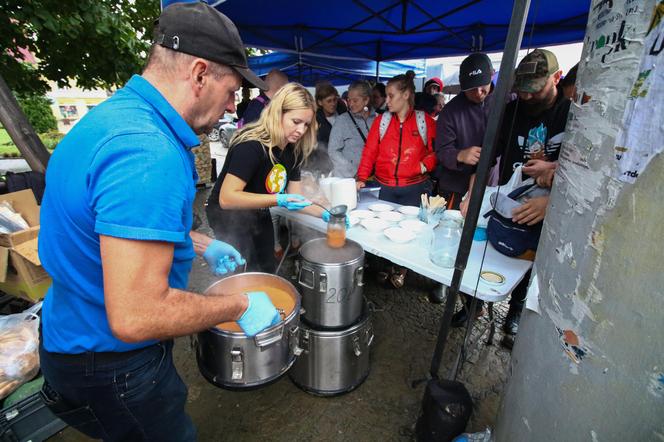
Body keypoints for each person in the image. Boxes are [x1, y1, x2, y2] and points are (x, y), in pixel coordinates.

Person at [37, 4, 280, 441]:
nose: (232, 106)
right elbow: (136, 315)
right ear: (200, 73)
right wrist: (240, 306)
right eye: (232, 90)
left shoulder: (114, 119)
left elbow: (107, 224)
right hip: (114, 363)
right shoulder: (148, 152)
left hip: (68, 335)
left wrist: (202, 244)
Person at [461, 49, 570, 340]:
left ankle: (515, 313)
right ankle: (476, 304)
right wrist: (473, 193)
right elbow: (488, 156)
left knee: (529, 264)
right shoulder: (511, 111)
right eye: (521, 91)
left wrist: (551, 200)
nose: (526, 97)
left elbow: (584, 172)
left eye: (534, 91)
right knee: (493, 254)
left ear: (556, 78)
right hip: (510, 203)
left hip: (548, 209)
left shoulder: (570, 114)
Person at [206, 83, 332, 273]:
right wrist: (278, 199)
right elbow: (227, 198)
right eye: (296, 121)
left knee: (267, 266)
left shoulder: (293, 151)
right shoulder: (251, 145)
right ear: (277, 113)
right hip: (228, 216)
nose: (301, 130)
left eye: (306, 124)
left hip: (259, 211)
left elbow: (296, 198)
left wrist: (325, 214)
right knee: (243, 269)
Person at [356, 71, 437, 288]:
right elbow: (369, 152)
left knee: (409, 230)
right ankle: (384, 266)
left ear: (406, 95)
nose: (386, 100)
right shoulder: (381, 121)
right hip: (384, 187)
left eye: (391, 96)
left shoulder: (424, 121)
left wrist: (423, 165)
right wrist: (362, 178)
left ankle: (401, 269)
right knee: (382, 231)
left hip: (414, 188)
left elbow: (436, 151)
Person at [433, 52, 494, 313]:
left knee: (482, 240)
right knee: (453, 233)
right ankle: (444, 281)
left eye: (484, 86)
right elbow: (441, 150)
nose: (480, 93)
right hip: (456, 184)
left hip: (490, 182)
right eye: (472, 89)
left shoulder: (503, 100)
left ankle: (474, 303)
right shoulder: (451, 111)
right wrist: (461, 154)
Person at [328, 80, 377, 177]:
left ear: (366, 100)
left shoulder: (378, 119)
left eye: (355, 100)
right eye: (349, 100)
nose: (351, 104)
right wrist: (352, 171)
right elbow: (333, 151)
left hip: (375, 176)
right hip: (349, 178)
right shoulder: (342, 120)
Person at [315, 82, 341, 147]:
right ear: (320, 102)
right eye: (329, 101)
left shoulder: (343, 113)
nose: (333, 104)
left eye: (335, 100)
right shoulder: (316, 121)